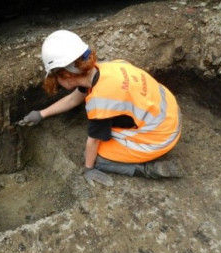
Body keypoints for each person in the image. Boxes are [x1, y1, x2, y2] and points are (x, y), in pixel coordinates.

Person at [19, 30, 183, 186]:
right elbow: (74, 99)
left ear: (66, 75)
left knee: (94, 157)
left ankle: (149, 170)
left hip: (161, 137)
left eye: (56, 78)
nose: (57, 84)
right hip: (169, 113)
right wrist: (41, 114)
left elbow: (93, 141)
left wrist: (89, 168)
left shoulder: (100, 102)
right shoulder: (104, 69)